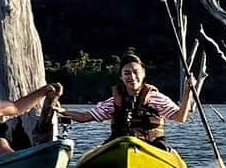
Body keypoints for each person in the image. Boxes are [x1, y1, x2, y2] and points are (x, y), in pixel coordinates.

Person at [63, 48, 193, 150]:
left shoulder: (157, 99)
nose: (132, 76)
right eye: (127, 73)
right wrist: (61, 111)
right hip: (120, 146)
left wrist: (187, 92)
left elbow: (180, 118)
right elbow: (85, 117)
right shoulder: (113, 102)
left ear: (143, 74)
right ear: (121, 77)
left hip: (152, 146)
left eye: (136, 72)